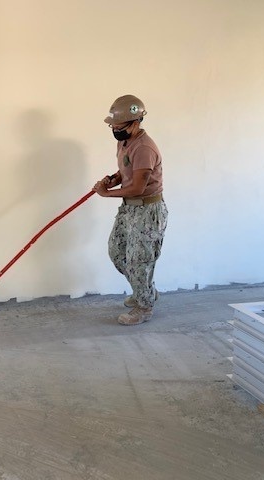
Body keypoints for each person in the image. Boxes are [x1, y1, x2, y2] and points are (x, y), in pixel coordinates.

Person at [93, 95, 168, 325]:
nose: (115, 129)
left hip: (147, 211)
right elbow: (126, 171)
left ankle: (144, 306)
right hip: (130, 209)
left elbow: (137, 187)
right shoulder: (125, 141)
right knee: (117, 252)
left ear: (136, 122)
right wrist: (112, 180)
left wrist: (106, 194)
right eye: (112, 125)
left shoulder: (144, 148)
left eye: (119, 125)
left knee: (140, 261)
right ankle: (145, 290)